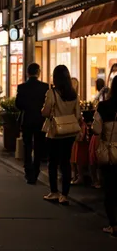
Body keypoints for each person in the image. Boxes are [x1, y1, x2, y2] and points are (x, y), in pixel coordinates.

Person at [42, 65, 81, 206]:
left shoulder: (52, 93)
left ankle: (54, 192)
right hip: (69, 133)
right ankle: (64, 195)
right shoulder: (73, 94)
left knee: (53, 162)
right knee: (66, 163)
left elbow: (45, 112)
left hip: (54, 133)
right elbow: (77, 115)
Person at [15, 63, 49, 184]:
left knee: (27, 145)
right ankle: (36, 170)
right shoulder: (45, 87)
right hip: (40, 120)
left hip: (27, 119)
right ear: (38, 72)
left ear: (27, 73)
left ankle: (28, 171)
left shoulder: (22, 87)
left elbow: (18, 104)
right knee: (39, 146)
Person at [92, 75, 117, 237]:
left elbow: (96, 130)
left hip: (110, 153)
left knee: (110, 189)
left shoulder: (104, 106)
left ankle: (113, 225)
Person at [89, 78, 107, 189]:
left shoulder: (102, 104)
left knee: (95, 157)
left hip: (102, 135)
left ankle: (96, 181)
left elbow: (96, 127)